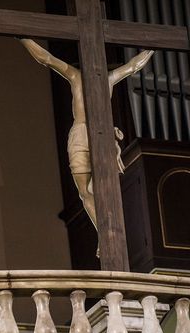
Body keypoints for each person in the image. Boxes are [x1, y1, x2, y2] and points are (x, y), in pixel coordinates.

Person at [19, 38, 154, 232]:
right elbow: (46, 59)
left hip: (94, 132)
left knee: (91, 189)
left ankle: (105, 230)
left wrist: (152, 48)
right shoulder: (89, 77)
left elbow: (133, 67)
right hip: (87, 133)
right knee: (86, 192)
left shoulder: (93, 77)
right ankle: (103, 233)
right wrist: (24, 39)